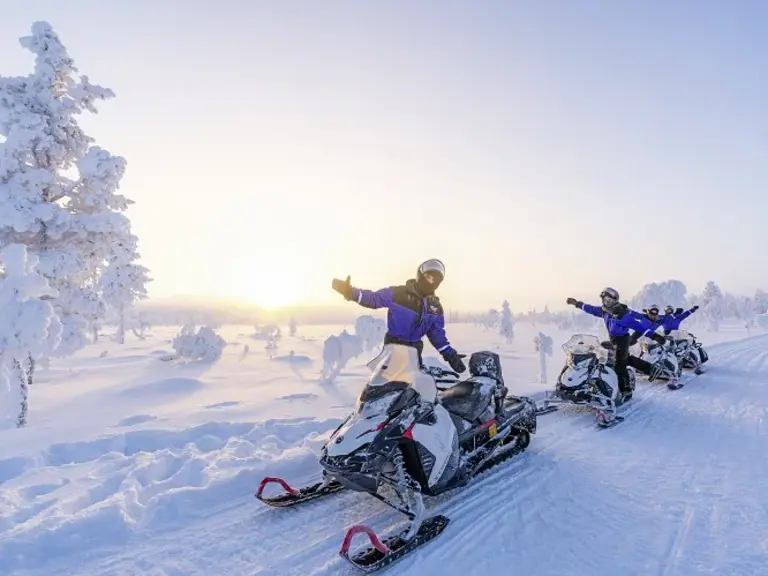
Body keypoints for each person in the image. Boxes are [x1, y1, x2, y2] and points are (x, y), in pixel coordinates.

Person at [331, 259, 466, 374]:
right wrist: (350, 292)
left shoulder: (435, 307)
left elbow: (437, 334)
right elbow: (373, 299)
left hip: (414, 352)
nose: (431, 282)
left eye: (435, 280)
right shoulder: (398, 293)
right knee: (384, 387)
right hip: (393, 348)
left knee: (412, 391)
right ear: (420, 275)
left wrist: (450, 355)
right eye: (429, 277)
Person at [566, 288, 667, 400]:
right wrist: (577, 303)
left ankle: (626, 389)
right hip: (613, 339)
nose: (607, 302)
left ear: (615, 300)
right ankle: (651, 369)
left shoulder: (622, 315)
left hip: (623, 340)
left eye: (609, 300)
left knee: (620, 365)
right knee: (624, 358)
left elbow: (639, 327)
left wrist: (655, 336)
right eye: (605, 299)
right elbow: (591, 309)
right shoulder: (604, 310)